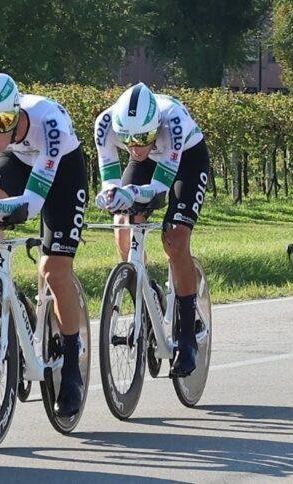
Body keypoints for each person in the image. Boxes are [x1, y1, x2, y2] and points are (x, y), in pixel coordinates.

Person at [0, 73, 88, 417]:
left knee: (54, 270)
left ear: (16, 114)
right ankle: (3, 290)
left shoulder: (49, 123)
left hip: (61, 170)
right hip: (17, 160)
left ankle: (71, 363)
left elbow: (33, 204)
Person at [93, 82, 209, 377]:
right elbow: (110, 180)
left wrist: (132, 194)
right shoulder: (105, 124)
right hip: (146, 164)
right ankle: (144, 292)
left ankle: (186, 333)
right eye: (127, 139)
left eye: (142, 138)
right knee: (123, 222)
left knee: (175, 238)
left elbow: (159, 189)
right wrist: (112, 195)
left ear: (155, 126)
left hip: (186, 162)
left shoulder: (173, 121)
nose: (134, 146)